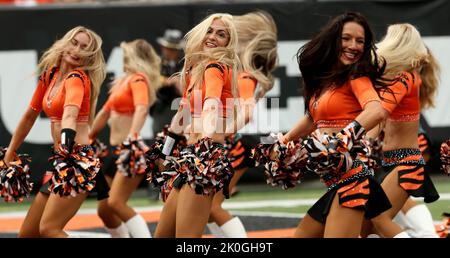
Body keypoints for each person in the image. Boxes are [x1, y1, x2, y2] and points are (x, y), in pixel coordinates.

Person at [258, 12, 392, 238]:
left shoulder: (357, 76)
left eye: (360, 41)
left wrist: (343, 138)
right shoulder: (326, 80)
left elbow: (376, 110)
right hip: (334, 183)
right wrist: (283, 142)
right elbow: (313, 118)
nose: (353, 46)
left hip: (351, 181)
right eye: (346, 38)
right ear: (333, 40)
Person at [3, 26, 106, 237]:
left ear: (89, 56)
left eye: (84, 48)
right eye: (74, 43)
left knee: (49, 229)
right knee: (28, 234)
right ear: (65, 43)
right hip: (61, 161)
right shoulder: (50, 75)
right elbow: (30, 115)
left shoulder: (77, 78)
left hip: (76, 163)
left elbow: (70, 114)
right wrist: (10, 151)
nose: (77, 50)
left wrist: (66, 146)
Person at [153, 13, 240, 238]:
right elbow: (181, 116)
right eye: (210, 31)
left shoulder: (215, 67)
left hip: (203, 158)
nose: (212, 37)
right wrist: (164, 152)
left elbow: (212, 104)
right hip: (189, 157)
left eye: (221, 34)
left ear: (228, 43)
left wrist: (205, 143)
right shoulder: (195, 71)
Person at [206, 10, 278, 238]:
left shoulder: (245, 75)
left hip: (233, 146)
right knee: (206, 208)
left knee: (211, 206)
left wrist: (222, 133)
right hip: (234, 145)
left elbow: (246, 113)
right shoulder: (243, 72)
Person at [368, 23, 441, 238]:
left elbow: (379, 114)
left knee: (379, 218)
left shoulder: (406, 79)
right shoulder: (401, 78)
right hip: (394, 161)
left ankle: (428, 234)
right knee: (368, 223)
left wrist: (353, 140)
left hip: (405, 162)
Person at [89, 39, 161, 238]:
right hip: (115, 152)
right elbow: (104, 113)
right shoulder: (123, 81)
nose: (124, 57)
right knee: (104, 210)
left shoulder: (138, 79)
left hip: (129, 151)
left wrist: (133, 138)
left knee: (116, 203)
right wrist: (88, 138)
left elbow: (141, 108)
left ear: (135, 57)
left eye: (126, 53)